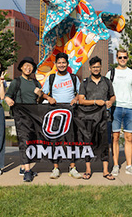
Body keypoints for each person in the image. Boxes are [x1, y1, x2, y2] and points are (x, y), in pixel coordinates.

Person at [41, 52, 82, 180]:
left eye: (64, 62)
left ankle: (72, 167)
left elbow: (80, 94)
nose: (61, 65)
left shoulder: (74, 78)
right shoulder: (51, 78)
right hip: (55, 112)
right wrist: (49, 97)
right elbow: (43, 93)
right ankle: (55, 168)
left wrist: (76, 99)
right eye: (59, 63)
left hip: (70, 113)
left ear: (67, 64)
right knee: (55, 141)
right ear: (56, 64)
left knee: (71, 141)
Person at [5, 56, 43, 182]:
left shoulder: (35, 83)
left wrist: (40, 95)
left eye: (31, 66)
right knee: (24, 141)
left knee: (30, 141)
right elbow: (7, 96)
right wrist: (8, 100)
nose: (28, 68)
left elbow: (39, 101)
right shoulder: (17, 82)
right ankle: (27, 170)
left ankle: (22, 167)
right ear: (21, 67)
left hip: (33, 117)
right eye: (26, 65)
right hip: (21, 117)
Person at [78, 56, 116, 181]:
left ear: (101, 67)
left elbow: (112, 96)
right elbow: (81, 100)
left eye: (98, 67)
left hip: (104, 117)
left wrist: (110, 102)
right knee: (87, 144)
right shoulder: (84, 83)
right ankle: (88, 169)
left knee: (105, 144)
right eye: (93, 67)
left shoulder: (106, 81)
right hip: (88, 117)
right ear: (90, 68)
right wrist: (95, 102)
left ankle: (105, 170)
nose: (96, 69)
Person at [106, 49, 132, 177]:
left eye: (124, 57)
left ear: (127, 58)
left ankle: (129, 166)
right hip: (116, 108)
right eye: (120, 57)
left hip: (130, 108)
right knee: (114, 137)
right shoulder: (110, 73)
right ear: (116, 58)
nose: (122, 59)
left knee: (129, 138)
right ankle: (115, 165)